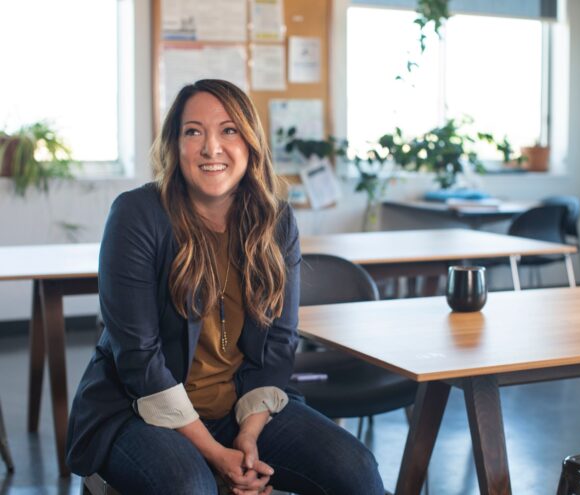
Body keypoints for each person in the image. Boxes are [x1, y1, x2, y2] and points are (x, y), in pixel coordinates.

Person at [66, 79, 385, 495]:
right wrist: (218, 457)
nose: (211, 148)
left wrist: (248, 439)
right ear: (174, 145)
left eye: (229, 130)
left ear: (250, 142)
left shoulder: (277, 221)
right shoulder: (137, 214)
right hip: (137, 410)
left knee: (355, 468)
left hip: (241, 407)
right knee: (190, 486)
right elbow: (138, 359)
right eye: (193, 131)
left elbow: (279, 344)